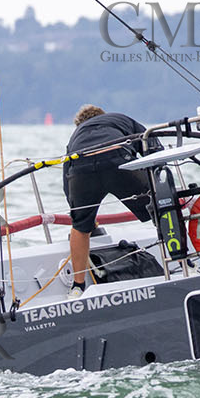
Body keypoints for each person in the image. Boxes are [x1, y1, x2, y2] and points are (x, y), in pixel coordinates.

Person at [61, 105, 155, 297]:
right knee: (159, 207)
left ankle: (77, 287)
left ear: (80, 124)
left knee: (80, 227)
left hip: (82, 166)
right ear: (102, 117)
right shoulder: (118, 119)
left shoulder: (75, 137)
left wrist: (81, 215)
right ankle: (182, 261)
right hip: (116, 158)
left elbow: (67, 181)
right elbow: (150, 142)